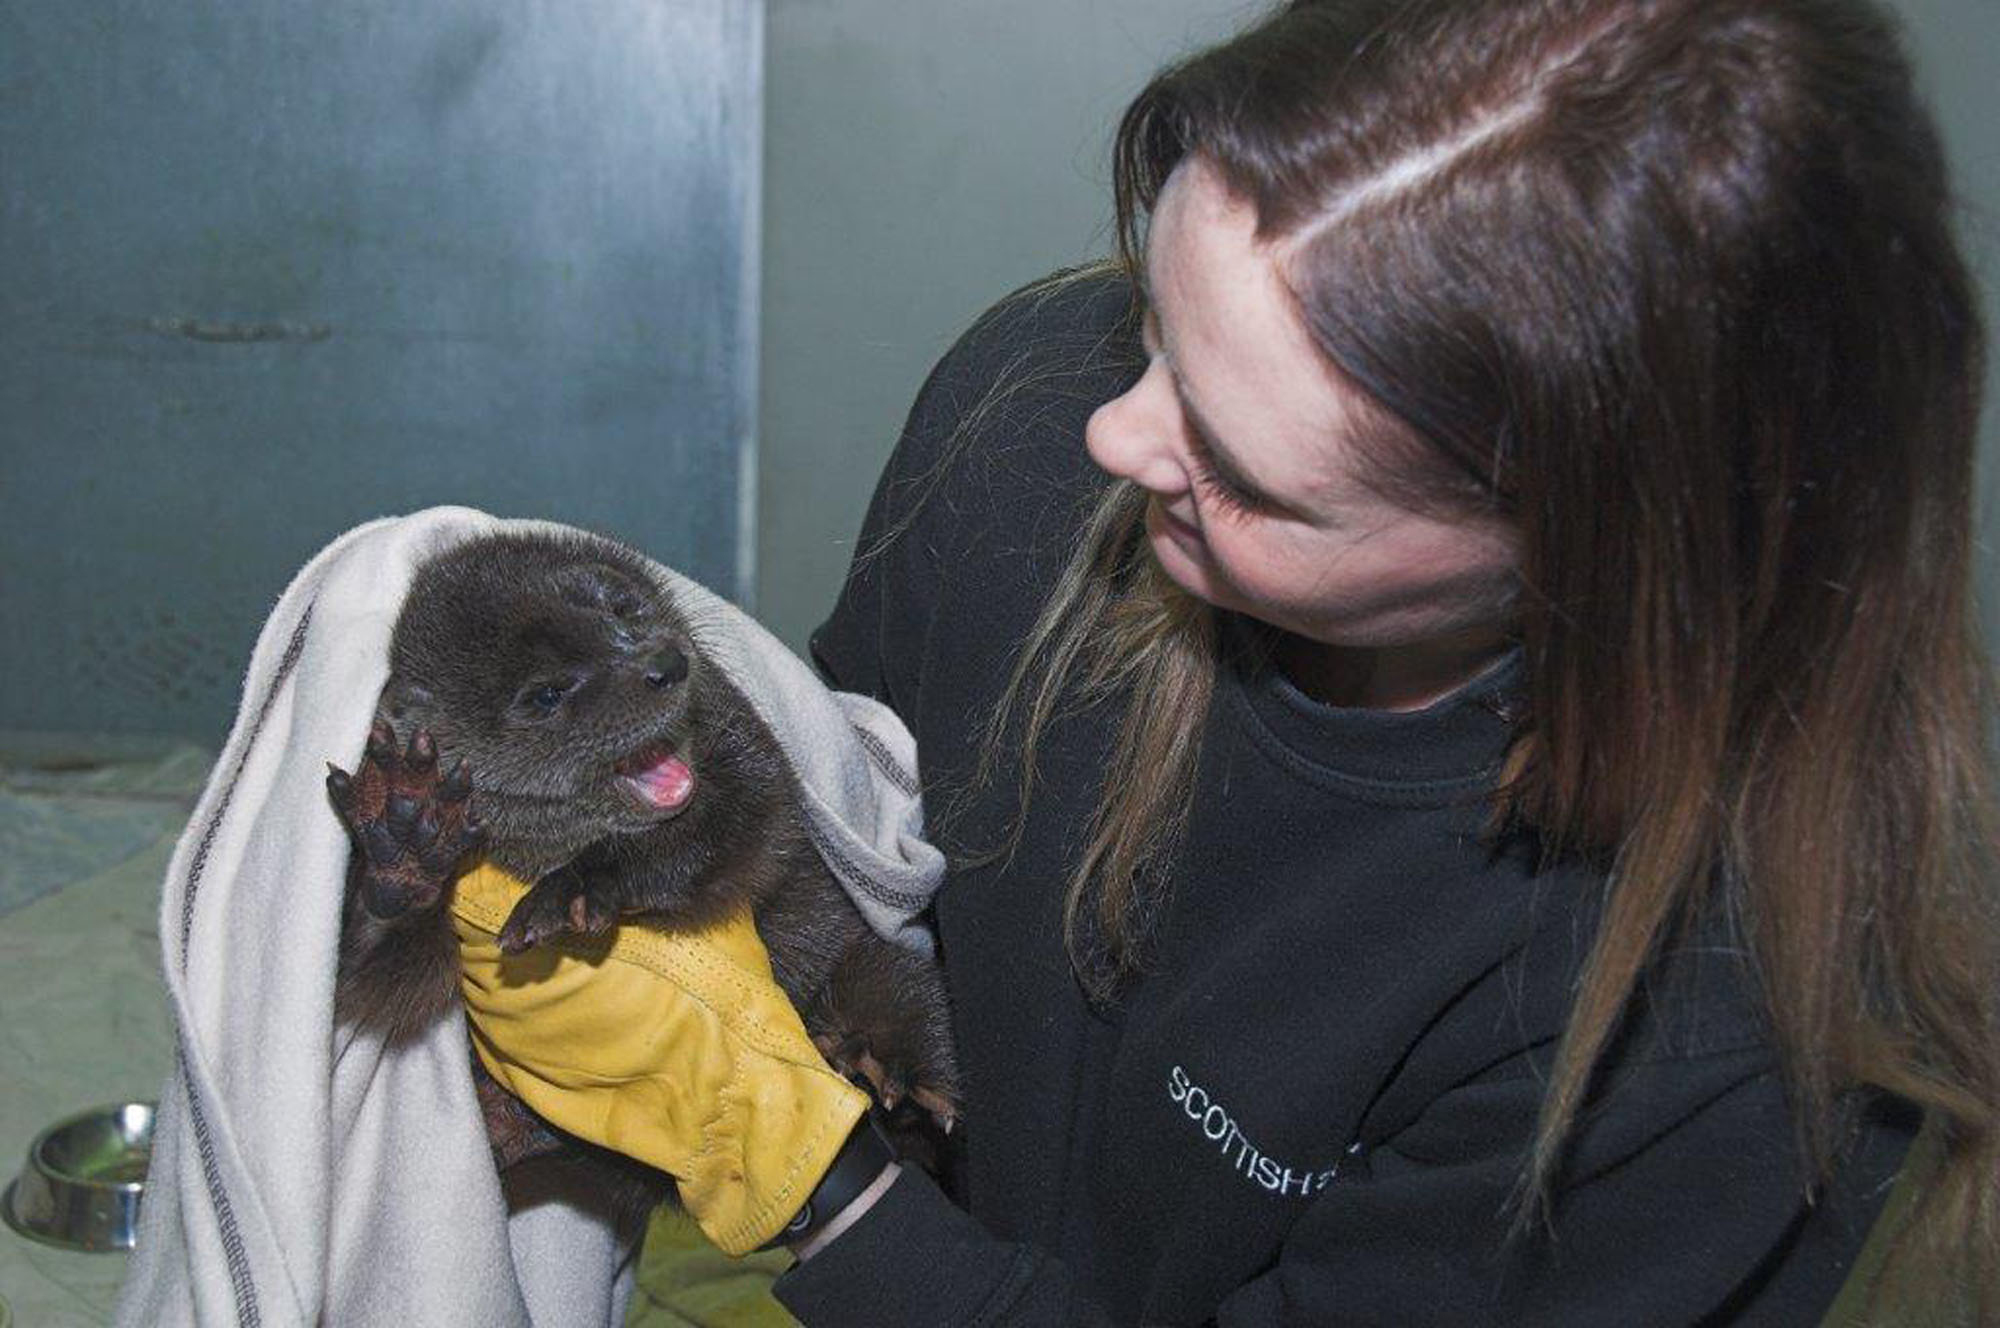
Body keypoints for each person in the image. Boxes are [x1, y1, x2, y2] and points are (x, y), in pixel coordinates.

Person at [469, 0, 2000, 1321]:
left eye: (1250, 476)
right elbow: (848, 886)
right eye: (1153, 321)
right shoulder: (1029, 425)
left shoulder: (1722, 1031)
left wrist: (810, 1185)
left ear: (1598, 561)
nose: (1113, 437)